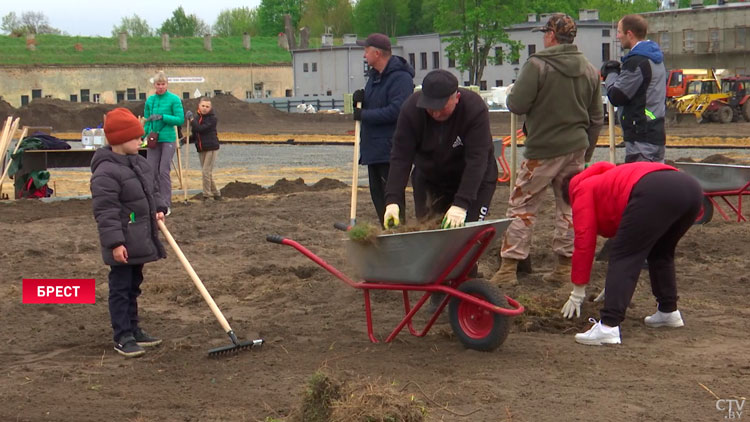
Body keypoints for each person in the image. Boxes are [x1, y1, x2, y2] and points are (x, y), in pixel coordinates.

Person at [491, 13, 603, 286]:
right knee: (569, 208)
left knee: (522, 206)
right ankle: (564, 267)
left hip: (541, 149)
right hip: (575, 148)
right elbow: (597, 118)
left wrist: (511, 94)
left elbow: (517, 105)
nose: (543, 37)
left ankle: (508, 270)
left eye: (544, 33)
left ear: (551, 35)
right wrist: (585, 154)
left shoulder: (538, 65)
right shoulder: (589, 69)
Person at [559, 161, 702, 345]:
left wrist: (577, 292)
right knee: (661, 251)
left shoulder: (581, 189)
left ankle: (608, 326)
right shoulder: (609, 179)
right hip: (691, 188)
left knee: (623, 256)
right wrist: (615, 285)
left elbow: (584, 241)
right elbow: (630, 227)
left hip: (655, 191)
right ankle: (668, 312)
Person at [91, 108, 168, 358]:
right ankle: (122, 335)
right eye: (136, 138)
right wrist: (115, 243)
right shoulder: (105, 173)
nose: (141, 141)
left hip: (140, 237)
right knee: (121, 288)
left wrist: (158, 208)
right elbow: (106, 212)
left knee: (134, 286)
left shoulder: (139, 163)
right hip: (123, 241)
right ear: (119, 140)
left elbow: (151, 190)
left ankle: (134, 329)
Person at [383, 69, 497, 230]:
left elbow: (477, 160)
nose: (436, 113)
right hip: (430, 178)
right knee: (429, 231)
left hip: (474, 178)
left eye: (441, 107)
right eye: (430, 107)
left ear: (456, 98)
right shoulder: (411, 110)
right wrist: (392, 201)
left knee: (466, 232)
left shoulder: (474, 108)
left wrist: (461, 204)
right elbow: (401, 157)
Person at [354, 33, 415, 224]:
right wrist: (362, 100)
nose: (364, 55)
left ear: (377, 53)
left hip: (390, 150)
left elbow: (398, 111)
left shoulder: (400, 79)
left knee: (392, 200)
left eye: (366, 51)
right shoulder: (374, 77)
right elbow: (378, 104)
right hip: (374, 149)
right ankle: (388, 232)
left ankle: (398, 235)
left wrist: (364, 115)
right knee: (379, 199)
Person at [601, 14, 667, 163]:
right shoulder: (656, 59)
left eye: (619, 32)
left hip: (640, 136)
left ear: (629, 34)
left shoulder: (637, 62)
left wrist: (610, 74)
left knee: (641, 182)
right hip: (655, 133)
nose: (617, 36)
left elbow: (616, 95)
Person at [144, 70, 185, 214]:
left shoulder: (174, 99)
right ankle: (153, 201)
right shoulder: (150, 100)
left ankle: (166, 203)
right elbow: (146, 121)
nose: (160, 87)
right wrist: (144, 135)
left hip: (168, 138)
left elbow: (180, 119)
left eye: (163, 84)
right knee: (151, 171)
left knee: (163, 171)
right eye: (158, 84)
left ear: (167, 84)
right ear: (154, 85)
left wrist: (163, 117)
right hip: (153, 140)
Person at [187, 97, 222, 201]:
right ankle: (216, 194)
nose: (205, 108)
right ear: (199, 106)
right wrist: (184, 140)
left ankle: (207, 195)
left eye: (207, 106)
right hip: (201, 148)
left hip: (211, 147)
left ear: (210, 108)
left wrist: (192, 120)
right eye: (203, 106)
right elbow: (195, 134)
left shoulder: (212, 119)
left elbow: (200, 129)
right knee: (207, 173)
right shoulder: (197, 119)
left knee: (205, 172)